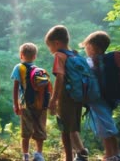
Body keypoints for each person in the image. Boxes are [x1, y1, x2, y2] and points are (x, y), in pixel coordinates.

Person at [45, 25, 88, 161]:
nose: (50, 50)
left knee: (67, 128)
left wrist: (53, 100)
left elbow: (60, 78)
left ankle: (81, 153)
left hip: (66, 97)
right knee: (72, 126)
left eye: (49, 46)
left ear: (56, 43)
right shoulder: (75, 54)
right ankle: (72, 156)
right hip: (78, 96)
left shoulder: (59, 55)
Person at [80, 31, 120, 161]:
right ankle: (111, 154)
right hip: (106, 99)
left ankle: (113, 155)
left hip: (99, 100)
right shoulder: (104, 61)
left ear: (95, 48)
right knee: (104, 127)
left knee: (106, 128)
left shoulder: (95, 61)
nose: (86, 50)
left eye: (87, 46)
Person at [11, 42, 48, 161]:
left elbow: (16, 87)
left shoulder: (19, 68)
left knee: (26, 130)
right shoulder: (39, 70)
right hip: (41, 104)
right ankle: (39, 154)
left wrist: (16, 104)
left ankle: (26, 155)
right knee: (40, 128)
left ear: (21, 55)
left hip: (25, 104)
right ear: (35, 56)